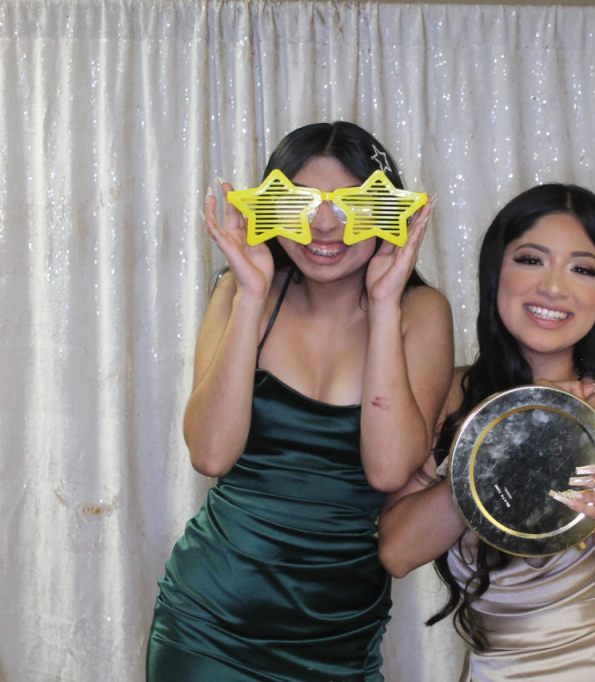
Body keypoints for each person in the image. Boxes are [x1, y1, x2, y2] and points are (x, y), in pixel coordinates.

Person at [147, 121, 454, 681]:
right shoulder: (240, 292)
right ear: (271, 207)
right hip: (209, 624)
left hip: (337, 632)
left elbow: (389, 470)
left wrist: (385, 304)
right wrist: (250, 296)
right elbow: (210, 455)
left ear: (386, 210)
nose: (324, 224)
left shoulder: (420, 312)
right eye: (301, 203)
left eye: (349, 204)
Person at [378, 183, 595, 680]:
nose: (554, 287)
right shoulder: (450, 396)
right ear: (496, 273)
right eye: (531, 260)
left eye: (582, 269)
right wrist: (504, 446)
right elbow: (397, 552)